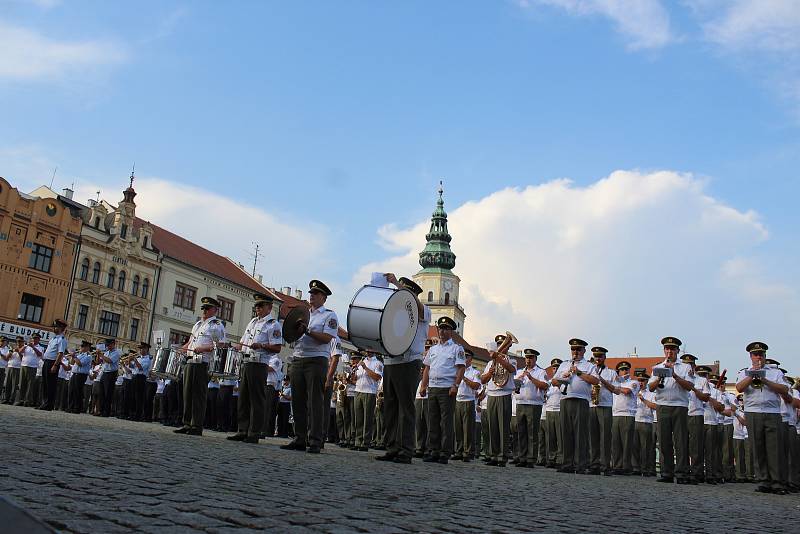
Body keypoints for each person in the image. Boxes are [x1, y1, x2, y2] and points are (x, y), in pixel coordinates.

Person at [374, 274, 429, 465]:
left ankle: (406, 449)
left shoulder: (423, 311)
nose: (399, 293)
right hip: (391, 361)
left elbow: (419, 309)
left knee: (406, 408)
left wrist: (398, 284)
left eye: (404, 291)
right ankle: (392, 447)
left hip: (409, 361)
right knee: (390, 407)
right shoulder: (395, 310)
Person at [282, 280, 338, 454]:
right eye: (311, 293)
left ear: (323, 297)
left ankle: (315, 440)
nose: (311, 296)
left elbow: (327, 338)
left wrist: (308, 331)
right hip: (299, 358)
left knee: (315, 402)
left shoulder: (329, 315)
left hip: (316, 359)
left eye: (315, 293)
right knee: (298, 401)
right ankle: (300, 438)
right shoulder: (303, 313)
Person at [228, 293, 282, 444]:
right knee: (243, 398)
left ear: (269, 307)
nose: (257, 308)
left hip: (259, 363)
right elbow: (243, 342)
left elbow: (277, 347)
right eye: (256, 306)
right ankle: (242, 429)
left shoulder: (273, 324)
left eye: (261, 306)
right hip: (246, 362)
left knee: (257, 399)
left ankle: (254, 432)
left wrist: (262, 345)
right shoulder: (252, 322)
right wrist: (233, 347)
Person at [736, 342, 788, 494]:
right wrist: (753, 376)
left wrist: (764, 379)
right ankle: (763, 480)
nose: (758, 357)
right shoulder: (744, 372)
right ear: (751, 357)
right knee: (757, 447)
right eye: (755, 354)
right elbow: (739, 388)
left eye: (761, 354)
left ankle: (777, 482)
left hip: (772, 411)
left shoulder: (775, 372)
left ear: (765, 356)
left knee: (774, 448)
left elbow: (784, 389)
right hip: (753, 411)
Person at [175, 296, 226, 436]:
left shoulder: (216, 325)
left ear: (215, 310)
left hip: (203, 362)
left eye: (207, 308)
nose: (204, 311)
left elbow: (220, 345)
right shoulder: (197, 324)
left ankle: (196, 425)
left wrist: (203, 348)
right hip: (190, 361)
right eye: (203, 308)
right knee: (187, 394)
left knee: (198, 395)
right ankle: (187, 423)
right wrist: (180, 349)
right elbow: (191, 342)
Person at [419, 316, 466, 464]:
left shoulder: (457, 348)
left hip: (447, 388)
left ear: (451, 331)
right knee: (432, 421)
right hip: (433, 387)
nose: (442, 331)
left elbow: (461, 368)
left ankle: (445, 452)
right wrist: (423, 385)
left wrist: (455, 386)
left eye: (446, 329)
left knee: (445, 422)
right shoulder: (433, 349)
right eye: (440, 328)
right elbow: (427, 368)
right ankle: (434, 450)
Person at [647, 336, 693, 484]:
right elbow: (650, 388)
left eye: (672, 349)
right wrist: (659, 378)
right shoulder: (657, 367)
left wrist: (674, 374)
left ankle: (682, 474)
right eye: (667, 349)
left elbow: (689, 386)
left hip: (679, 406)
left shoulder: (685, 367)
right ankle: (666, 472)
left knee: (681, 441)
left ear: (678, 350)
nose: (669, 352)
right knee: (664, 441)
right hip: (663, 405)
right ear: (664, 350)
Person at [553, 339, 599, 474]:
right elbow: (554, 381)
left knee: (581, 434)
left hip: (581, 401)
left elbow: (595, 381)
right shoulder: (564, 364)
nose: (576, 352)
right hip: (565, 399)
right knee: (565, 433)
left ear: (584, 351)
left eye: (579, 349)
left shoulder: (589, 365)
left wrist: (579, 372)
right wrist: (563, 376)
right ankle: (567, 463)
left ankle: (580, 464)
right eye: (574, 349)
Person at [513, 349, 548, 468]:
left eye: (531, 358)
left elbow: (544, 386)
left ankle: (531, 459)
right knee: (521, 432)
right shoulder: (519, 372)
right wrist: (519, 380)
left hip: (534, 404)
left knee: (532, 433)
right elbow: (513, 386)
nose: (528, 360)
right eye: (527, 358)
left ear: (535, 359)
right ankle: (522, 457)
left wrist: (531, 378)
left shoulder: (540, 372)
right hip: (520, 402)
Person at [588, 346, 617, 475]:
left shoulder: (611, 372)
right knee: (592, 436)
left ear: (604, 358)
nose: (598, 359)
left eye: (600, 356)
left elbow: (616, 390)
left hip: (605, 405)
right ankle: (594, 464)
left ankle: (605, 465)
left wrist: (602, 380)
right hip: (592, 405)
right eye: (596, 356)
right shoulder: (589, 370)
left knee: (605, 437)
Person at [610, 360, 639, 475]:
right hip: (615, 414)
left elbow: (627, 391)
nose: (625, 371)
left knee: (627, 442)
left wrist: (614, 387)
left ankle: (627, 467)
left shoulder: (633, 382)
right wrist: (614, 385)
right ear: (618, 371)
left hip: (627, 414)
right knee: (616, 442)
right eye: (622, 370)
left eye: (626, 369)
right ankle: (617, 465)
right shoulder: (615, 383)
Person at [452, 349, 481, 462]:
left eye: (467, 356)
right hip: (458, 400)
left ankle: (468, 452)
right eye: (463, 356)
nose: (464, 358)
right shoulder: (456, 370)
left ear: (471, 359)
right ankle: (458, 451)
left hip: (468, 401)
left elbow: (476, 386)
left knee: (468, 429)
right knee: (458, 428)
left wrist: (463, 377)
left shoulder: (475, 372)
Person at [351, 350, 383, 451]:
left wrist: (365, 367)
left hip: (369, 392)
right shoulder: (361, 361)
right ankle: (358, 441)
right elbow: (355, 380)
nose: (368, 352)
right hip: (358, 390)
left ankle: (365, 443)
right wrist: (353, 372)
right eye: (366, 350)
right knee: (358, 418)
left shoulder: (378, 363)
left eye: (370, 350)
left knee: (367, 418)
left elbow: (377, 377)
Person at [39, 320, 68, 411]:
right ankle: (44, 402)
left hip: (52, 363)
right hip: (47, 361)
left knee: (51, 384)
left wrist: (55, 365)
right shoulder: (53, 338)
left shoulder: (61, 340)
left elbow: (60, 353)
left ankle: (49, 404)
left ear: (61, 328)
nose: (54, 328)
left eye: (56, 327)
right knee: (45, 383)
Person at [634, 373, 657, 477]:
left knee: (647, 447)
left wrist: (643, 399)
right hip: (635, 420)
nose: (640, 383)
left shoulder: (651, 394)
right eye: (639, 380)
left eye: (642, 381)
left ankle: (647, 469)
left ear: (647, 382)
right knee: (635, 447)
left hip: (646, 422)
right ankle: (636, 468)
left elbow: (655, 406)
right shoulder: (634, 392)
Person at [544, 358, 564, 468]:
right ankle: (551, 458)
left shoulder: (563, 380)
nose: (555, 370)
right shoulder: (549, 382)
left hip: (559, 410)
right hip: (549, 410)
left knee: (560, 437)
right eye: (554, 368)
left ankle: (560, 459)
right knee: (550, 437)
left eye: (557, 368)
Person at [97, 339, 121, 417]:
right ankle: (100, 410)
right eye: (107, 345)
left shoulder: (116, 353)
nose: (107, 346)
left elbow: (110, 361)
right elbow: (99, 362)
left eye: (109, 345)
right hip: (104, 372)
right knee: (102, 393)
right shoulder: (106, 352)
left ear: (113, 344)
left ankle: (106, 412)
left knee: (108, 393)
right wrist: (98, 355)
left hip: (111, 373)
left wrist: (101, 355)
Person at [67, 341, 92, 414]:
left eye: (83, 346)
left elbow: (80, 364)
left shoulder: (88, 356)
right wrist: (72, 356)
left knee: (78, 391)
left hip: (81, 375)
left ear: (87, 348)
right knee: (71, 390)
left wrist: (74, 356)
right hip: (74, 374)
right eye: (81, 346)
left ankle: (77, 408)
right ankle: (70, 407)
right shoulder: (79, 355)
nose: (81, 348)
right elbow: (72, 363)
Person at [17, 335, 41, 407]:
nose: (34, 340)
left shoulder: (40, 347)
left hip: (32, 367)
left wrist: (33, 347)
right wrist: (25, 346)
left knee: (30, 385)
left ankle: (27, 401)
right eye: (33, 338)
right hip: (24, 365)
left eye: (36, 339)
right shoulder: (26, 346)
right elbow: (20, 351)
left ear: (38, 340)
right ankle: (21, 399)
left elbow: (40, 354)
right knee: (22, 383)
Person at [131, 342, 153, 421]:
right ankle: (132, 413)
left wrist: (135, 360)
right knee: (133, 396)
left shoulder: (149, 359)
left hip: (141, 378)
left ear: (146, 349)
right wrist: (129, 361)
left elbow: (141, 368)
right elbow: (132, 367)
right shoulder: (139, 358)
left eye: (142, 349)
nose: (140, 350)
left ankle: (138, 415)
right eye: (140, 349)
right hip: (135, 377)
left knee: (139, 397)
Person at [2, 336, 21, 405]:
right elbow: (7, 357)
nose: (18, 342)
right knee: (8, 384)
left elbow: (23, 358)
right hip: (10, 366)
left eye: (19, 341)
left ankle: (11, 399)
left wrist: (18, 351)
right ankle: (6, 398)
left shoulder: (23, 348)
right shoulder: (12, 348)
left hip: (17, 368)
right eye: (17, 341)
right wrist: (11, 351)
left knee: (14, 385)